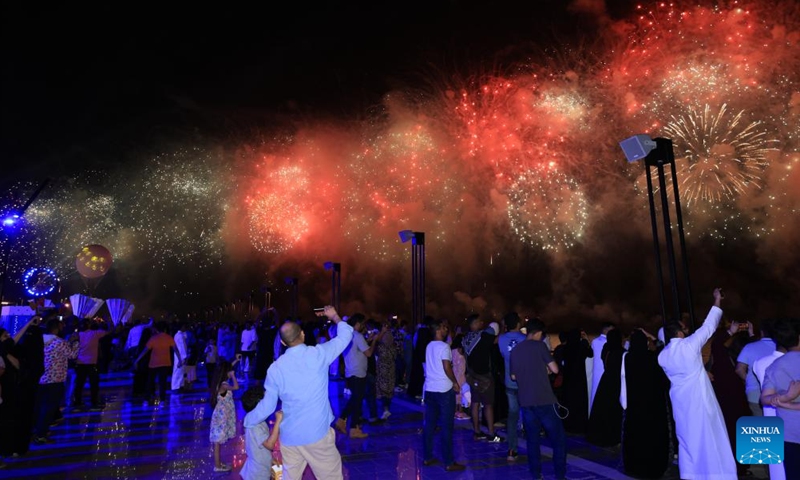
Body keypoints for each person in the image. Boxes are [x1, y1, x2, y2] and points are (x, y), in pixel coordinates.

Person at [243, 306, 353, 480]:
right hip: (317, 434)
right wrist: (335, 316)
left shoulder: (276, 368)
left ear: (283, 343)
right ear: (302, 334)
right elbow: (346, 336)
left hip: (290, 436)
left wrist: (249, 419)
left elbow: (268, 406)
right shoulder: (319, 354)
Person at [658, 288, 737, 480]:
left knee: (687, 440)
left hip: (680, 402)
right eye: (683, 328)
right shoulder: (689, 345)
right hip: (700, 400)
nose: (686, 330)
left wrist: (702, 371)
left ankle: (692, 475)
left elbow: (686, 370)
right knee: (712, 437)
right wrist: (717, 300)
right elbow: (709, 325)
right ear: (678, 332)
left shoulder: (662, 356)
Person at [510, 318, 567, 480]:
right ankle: (560, 475)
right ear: (539, 333)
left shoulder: (516, 350)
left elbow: (514, 376)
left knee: (533, 441)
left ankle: (536, 475)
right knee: (559, 440)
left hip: (526, 401)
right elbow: (555, 369)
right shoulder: (540, 346)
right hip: (544, 400)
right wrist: (545, 369)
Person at [620, 329, 670, 479]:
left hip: (635, 405)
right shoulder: (654, 358)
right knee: (652, 436)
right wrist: (654, 339)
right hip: (653, 405)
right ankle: (653, 465)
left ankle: (635, 466)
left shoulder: (628, 358)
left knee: (636, 435)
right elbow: (664, 349)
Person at [422, 319, 466, 472]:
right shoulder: (444, 346)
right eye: (444, 327)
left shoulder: (429, 346)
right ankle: (449, 461)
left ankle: (427, 457)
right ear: (438, 329)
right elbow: (447, 367)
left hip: (430, 389)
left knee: (430, 425)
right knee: (447, 427)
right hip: (444, 390)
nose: (446, 329)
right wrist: (455, 382)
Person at [760, 318, 800, 480]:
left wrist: (785, 400)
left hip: (788, 432)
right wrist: (788, 400)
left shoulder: (775, 366)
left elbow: (764, 399)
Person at [335, 314, 383, 439]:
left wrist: (369, 340)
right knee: (357, 401)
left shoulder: (347, 336)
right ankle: (351, 427)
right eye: (362, 324)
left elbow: (357, 349)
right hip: (358, 373)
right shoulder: (358, 335)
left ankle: (344, 422)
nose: (363, 327)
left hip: (350, 373)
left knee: (355, 400)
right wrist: (375, 341)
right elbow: (368, 353)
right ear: (357, 324)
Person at [32, 319, 80, 444]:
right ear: (56, 328)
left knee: (40, 406)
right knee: (50, 407)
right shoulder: (59, 342)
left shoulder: (39, 340)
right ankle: (41, 434)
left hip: (41, 378)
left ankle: (37, 430)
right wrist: (75, 342)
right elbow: (73, 355)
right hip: (55, 379)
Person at [753, 318, 789, 480]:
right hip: (789, 417)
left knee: (774, 464)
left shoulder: (759, 363)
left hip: (769, 415)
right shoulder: (791, 362)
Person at [463, 315, 502, 442]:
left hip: (472, 376)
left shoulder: (466, 338)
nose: (481, 323)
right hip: (485, 376)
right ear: (474, 323)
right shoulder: (483, 336)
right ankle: (491, 433)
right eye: (479, 322)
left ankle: (477, 431)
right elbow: (496, 340)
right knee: (488, 405)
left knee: (475, 403)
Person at [587, 329, 625, 447]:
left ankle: (600, 435)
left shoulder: (606, 349)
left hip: (606, 380)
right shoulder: (621, 352)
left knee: (603, 409)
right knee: (614, 411)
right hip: (617, 382)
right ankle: (613, 437)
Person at [498, 312, 526, 461]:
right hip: (524, 383)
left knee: (512, 415)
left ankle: (512, 450)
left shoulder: (502, 339)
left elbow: (503, 355)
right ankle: (532, 446)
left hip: (510, 382)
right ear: (518, 323)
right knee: (528, 413)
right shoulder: (524, 339)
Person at [240, 386, 282, 480]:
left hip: (257, 467)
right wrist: (278, 422)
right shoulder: (255, 426)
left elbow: (260, 449)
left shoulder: (254, 421)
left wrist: (271, 460)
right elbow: (269, 445)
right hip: (257, 473)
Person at [135, 321, 182, 405]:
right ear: (164, 329)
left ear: (157, 329)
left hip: (153, 364)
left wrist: (137, 360)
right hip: (165, 363)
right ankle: (162, 400)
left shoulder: (153, 338)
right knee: (162, 382)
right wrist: (180, 360)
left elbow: (145, 351)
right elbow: (176, 350)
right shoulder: (169, 338)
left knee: (150, 382)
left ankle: (146, 399)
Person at [556, 329, 593, 434]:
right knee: (579, 403)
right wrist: (586, 340)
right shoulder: (581, 347)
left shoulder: (566, 348)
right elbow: (590, 353)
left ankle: (568, 426)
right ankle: (579, 426)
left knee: (568, 402)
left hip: (568, 380)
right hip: (579, 380)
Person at [736, 320, 775, 416]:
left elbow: (739, 369)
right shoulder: (781, 347)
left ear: (761, 332)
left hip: (754, 394)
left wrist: (749, 380)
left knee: (760, 426)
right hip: (777, 394)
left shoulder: (749, 347)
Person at [209, 359, 239, 472]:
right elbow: (236, 387)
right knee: (218, 442)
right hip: (221, 417)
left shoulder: (219, 382)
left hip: (221, 415)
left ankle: (219, 463)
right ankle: (217, 466)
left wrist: (235, 360)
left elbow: (226, 366)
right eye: (230, 371)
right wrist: (233, 376)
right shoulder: (224, 385)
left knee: (218, 442)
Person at [73, 319, 108, 410]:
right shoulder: (95, 333)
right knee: (94, 383)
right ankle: (94, 401)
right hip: (92, 363)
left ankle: (77, 401)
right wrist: (107, 323)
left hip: (80, 362)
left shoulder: (78, 335)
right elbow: (108, 331)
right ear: (89, 325)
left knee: (79, 383)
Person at [590, 322, 615, 411]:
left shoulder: (594, 341)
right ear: (606, 329)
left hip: (596, 374)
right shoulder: (609, 343)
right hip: (607, 374)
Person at [172, 323, 189, 392]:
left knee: (181, 372)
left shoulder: (180, 335)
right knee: (178, 371)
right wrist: (184, 357)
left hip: (181, 356)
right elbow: (181, 347)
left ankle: (180, 386)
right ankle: (176, 387)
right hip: (180, 356)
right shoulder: (179, 336)